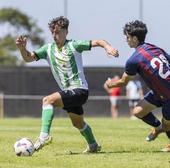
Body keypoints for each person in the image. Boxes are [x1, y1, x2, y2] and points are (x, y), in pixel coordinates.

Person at [16, 16, 119, 153]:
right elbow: (28, 58)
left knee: (48, 100)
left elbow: (98, 41)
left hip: (80, 90)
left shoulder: (74, 45)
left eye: (58, 32)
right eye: (53, 32)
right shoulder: (48, 49)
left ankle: (43, 137)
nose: (54, 35)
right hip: (70, 93)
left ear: (66, 32)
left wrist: (108, 47)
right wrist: (22, 49)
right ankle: (93, 145)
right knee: (78, 123)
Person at [104, 20, 170, 152]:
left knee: (167, 125)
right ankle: (158, 128)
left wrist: (111, 84)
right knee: (138, 111)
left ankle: (164, 131)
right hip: (159, 93)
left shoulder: (133, 59)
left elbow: (124, 81)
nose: (126, 40)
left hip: (168, 95)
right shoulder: (155, 48)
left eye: (127, 37)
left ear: (135, 38)